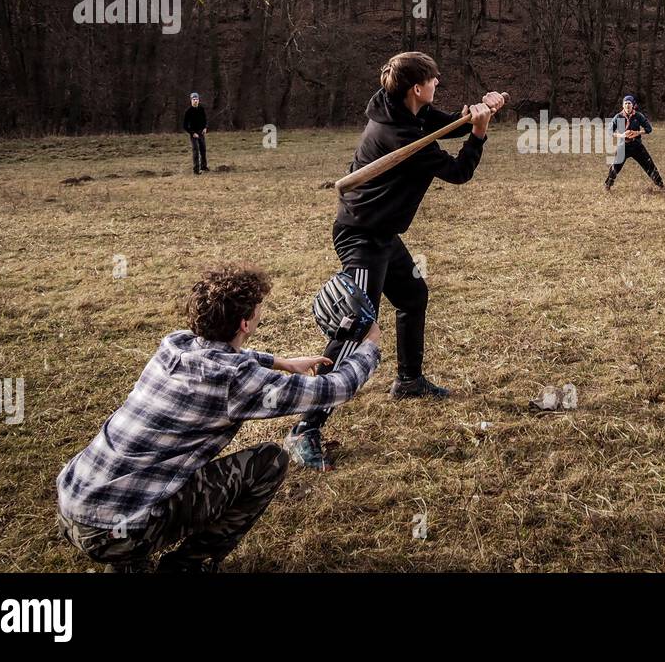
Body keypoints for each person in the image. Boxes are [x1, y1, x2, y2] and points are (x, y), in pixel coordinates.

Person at [56, 264, 381, 572]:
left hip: (72, 507)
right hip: (111, 532)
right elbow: (335, 389)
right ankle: (186, 564)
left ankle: (127, 559)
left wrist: (282, 362)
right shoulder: (235, 380)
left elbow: (223, 354)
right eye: (257, 309)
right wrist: (369, 343)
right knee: (269, 462)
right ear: (245, 324)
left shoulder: (174, 345)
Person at [285, 52, 505, 470]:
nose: (437, 83)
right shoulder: (400, 136)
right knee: (354, 325)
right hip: (361, 235)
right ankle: (305, 427)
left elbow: (445, 123)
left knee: (412, 295)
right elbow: (459, 172)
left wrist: (479, 110)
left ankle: (408, 380)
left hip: (383, 233)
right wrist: (479, 134)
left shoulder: (403, 109)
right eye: (433, 80)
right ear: (417, 88)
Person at [604, 95, 665, 192]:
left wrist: (637, 133)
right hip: (623, 146)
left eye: (629, 103)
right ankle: (607, 186)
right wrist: (621, 135)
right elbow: (609, 131)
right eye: (625, 103)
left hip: (636, 145)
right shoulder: (618, 117)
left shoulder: (638, 116)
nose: (627, 105)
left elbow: (649, 129)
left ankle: (661, 185)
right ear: (622, 105)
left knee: (649, 165)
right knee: (615, 167)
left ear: (633, 105)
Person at [183, 92, 208, 173]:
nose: (195, 101)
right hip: (193, 133)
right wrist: (192, 133)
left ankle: (204, 167)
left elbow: (205, 119)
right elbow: (185, 126)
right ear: (191, 100)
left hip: (201, 132)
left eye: (197, 99)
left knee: (203, 149)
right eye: (194, 99)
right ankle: (196, 169)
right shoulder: (188, 111)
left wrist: (205, 127)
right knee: (196, 150)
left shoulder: (201, 109)